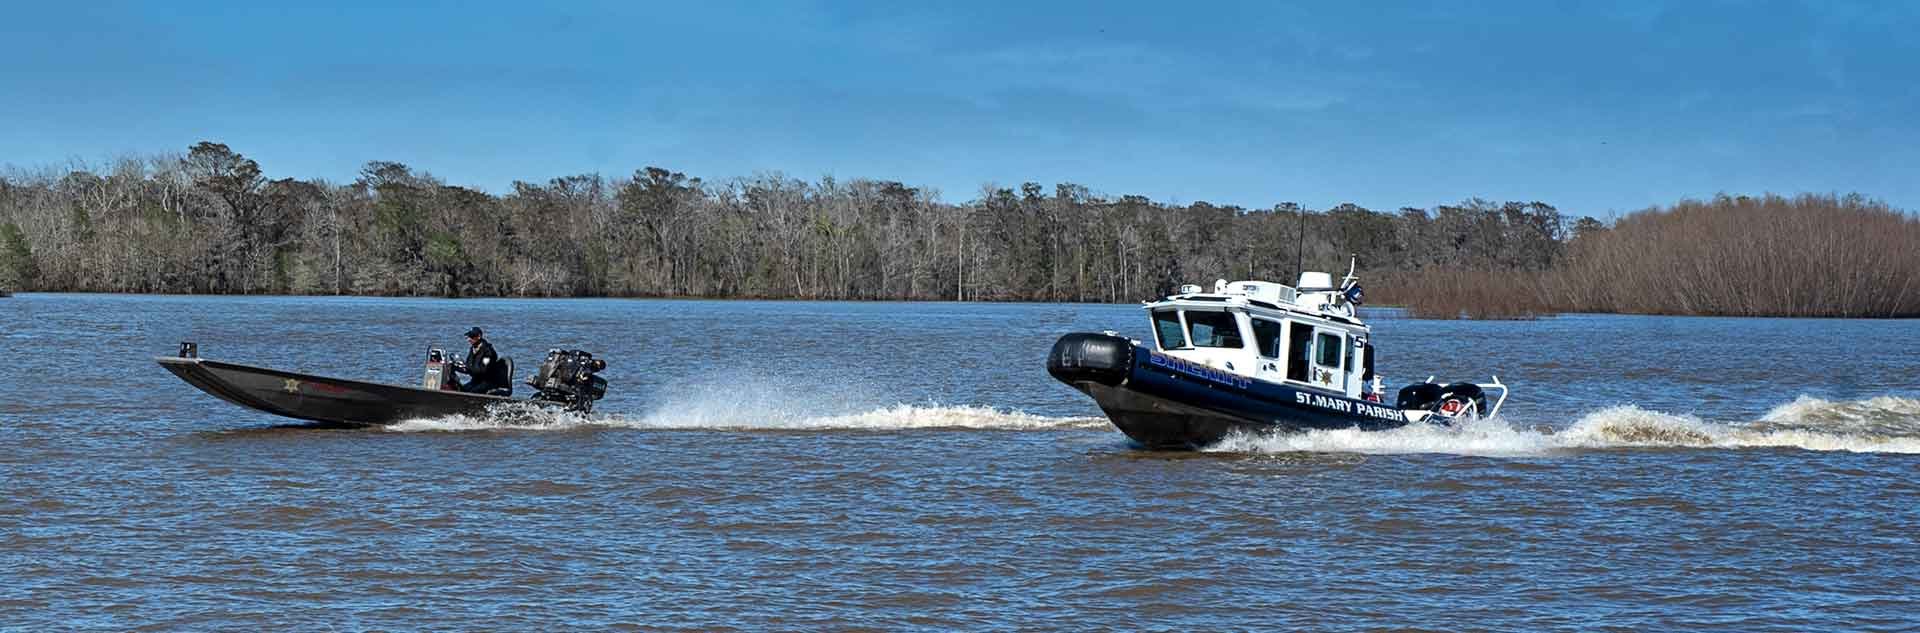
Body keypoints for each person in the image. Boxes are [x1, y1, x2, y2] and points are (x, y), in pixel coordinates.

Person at [454, 326, 509, 394]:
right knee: (459, 390)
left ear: (479, 336)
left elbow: (482, 370)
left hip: (488, 382)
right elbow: (469, 366)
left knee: (470, 393)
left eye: (471, 337)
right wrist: (456, 367)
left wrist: (467, 368)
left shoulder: (488, 352)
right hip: (476, 381)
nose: (468, 339)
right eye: (468, 337)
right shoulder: (473, 349)